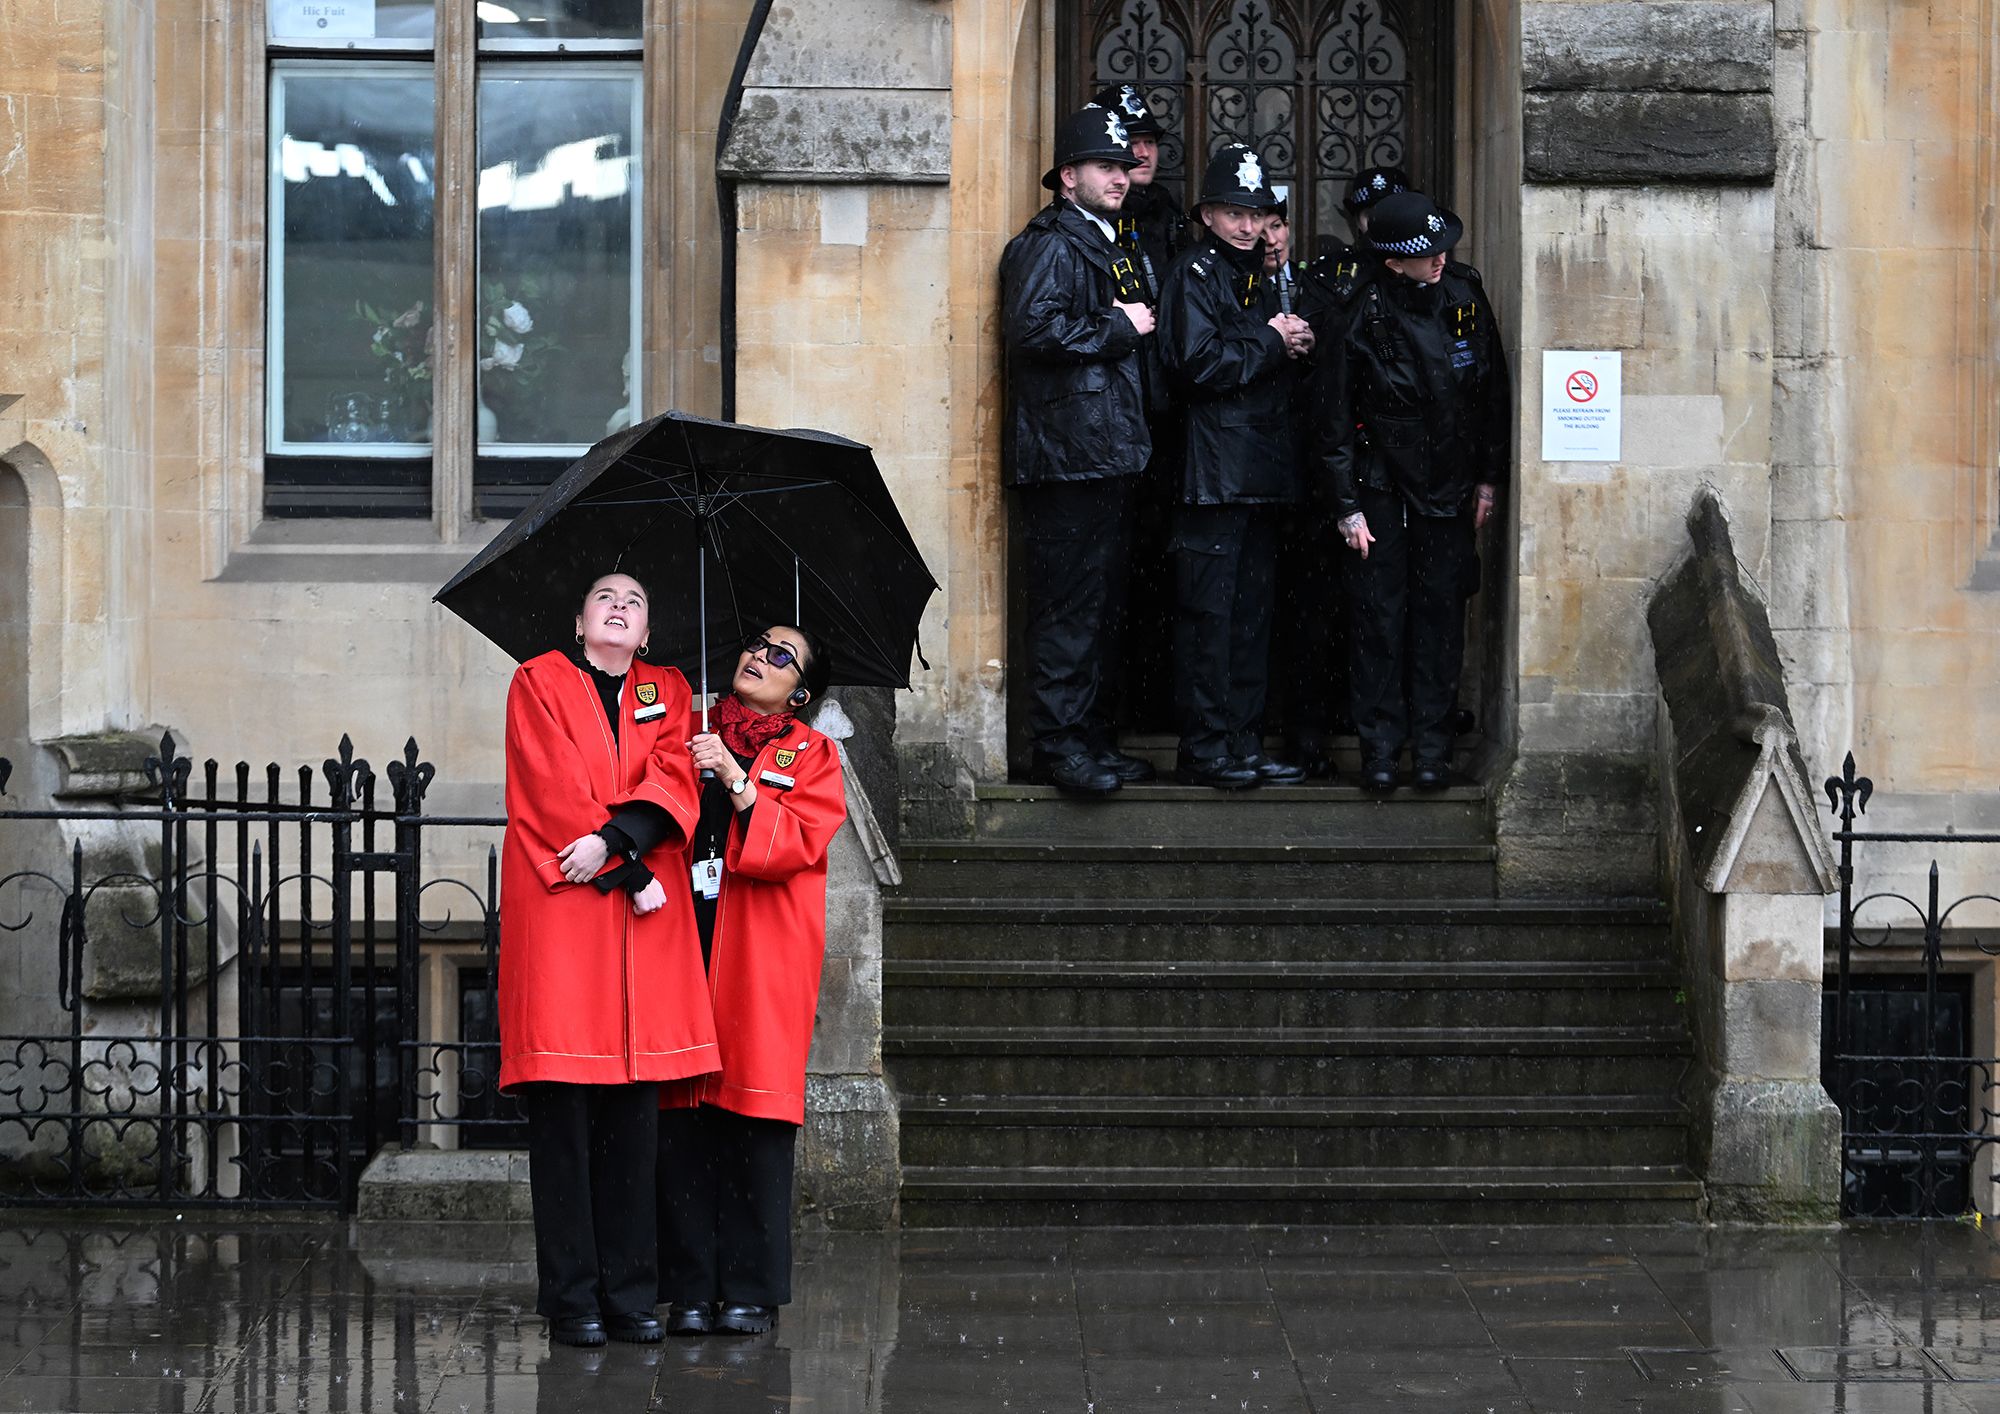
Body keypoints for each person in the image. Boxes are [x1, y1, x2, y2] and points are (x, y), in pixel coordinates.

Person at [499, 571, 715, 1348]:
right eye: (605, 598)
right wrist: (616, 862)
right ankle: (572, 1300)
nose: (621, 606)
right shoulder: (540, 681)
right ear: (580, 617)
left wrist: (620, 843)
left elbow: (672, 775)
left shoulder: (668, 687)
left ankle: (630, 1295)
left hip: (640, 917)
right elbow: (544, 784)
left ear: (648, 631)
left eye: (635, 601)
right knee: (564, 1122)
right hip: (566, 905)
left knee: (633, 1123)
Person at [657, 626, 847, 1338]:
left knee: (753, 1122)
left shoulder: (814, 754)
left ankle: (750, 1287)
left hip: (760, 956)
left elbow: (794, 843)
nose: (758, 657)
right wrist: (694, 766)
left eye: (781, 656)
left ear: (799, 693)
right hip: (684, 941)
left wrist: (735, 782)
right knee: (682, 1122)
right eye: (758, 644)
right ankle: (689, 1287)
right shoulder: (689, 731)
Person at [1310, 191, 1509, 792]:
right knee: (1379, 618)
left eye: (1443, 249)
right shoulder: (1358, 310)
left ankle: (1432, 748)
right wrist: (1345, 506)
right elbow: (1333, 418)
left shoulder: (1464, 296)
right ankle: (1379, 751)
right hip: (1379, 487)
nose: (1440, 260)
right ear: (1394, 261)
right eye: (1426, 254)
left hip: (1448, 483)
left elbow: (1491, 396)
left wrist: (1488, 478)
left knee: (1440, 617)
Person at [1000, 105, 1158, 795]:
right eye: (1105, 166)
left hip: (1103, 452)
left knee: (1096, 608)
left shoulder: (1103, 238)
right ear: (1068, 177)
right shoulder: (1051, 242)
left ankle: (1089, 739)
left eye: (1124, 167)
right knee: (1068, 610)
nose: (1120, 177)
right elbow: (1033, 331)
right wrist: (1117, 326)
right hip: (1065, 456)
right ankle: (1059, 750)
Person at [1156, 143, 1313, 789]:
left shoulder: (1262, 275)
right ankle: (1207, 748)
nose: (1248, 225)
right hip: (1211, 476)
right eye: (1234, 212)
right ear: (1208, 215)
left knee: (1250, 622)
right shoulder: (1195, 273)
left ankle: (1243, 744)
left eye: (1257, 213)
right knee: (1209, 623)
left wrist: (1287, 338)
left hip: (1262, 473)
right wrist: (1273, 339)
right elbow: (1198, 365)